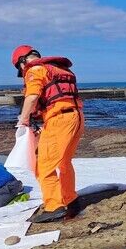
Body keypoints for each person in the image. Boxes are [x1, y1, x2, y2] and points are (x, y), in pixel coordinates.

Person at [11, 45, 84, 223]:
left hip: (59, 120)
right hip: (77, 117)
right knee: (64, 162)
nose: (22, 71)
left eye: (20, 68)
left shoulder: (35, 70)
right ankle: (70, 200)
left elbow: (32, 97)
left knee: (44, 166)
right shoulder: (59, 69)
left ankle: (54, 207)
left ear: (22, 61)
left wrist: (23, 119)